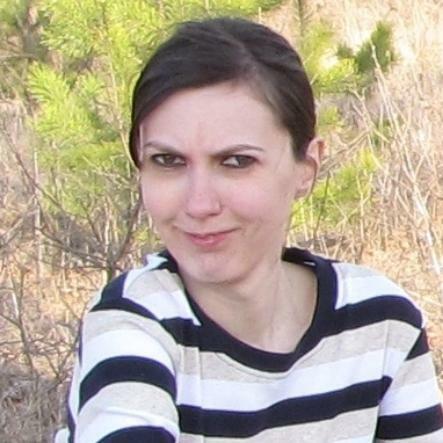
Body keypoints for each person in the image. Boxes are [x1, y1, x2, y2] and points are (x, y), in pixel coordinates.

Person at [56, 17, 443, 443]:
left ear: (306, 167)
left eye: (236, 162)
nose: (199, 204)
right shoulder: (132, 324)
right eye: (168, 161)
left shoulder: (379, 321)